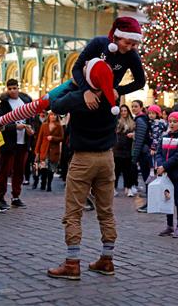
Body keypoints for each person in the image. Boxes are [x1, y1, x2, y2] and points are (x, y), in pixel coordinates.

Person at [0, 17, 145, 134]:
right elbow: (77, 68)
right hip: (78, 84)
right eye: (127, 42)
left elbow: (140, 82)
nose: (130, 47)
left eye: (134, 44)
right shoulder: (98, 43)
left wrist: (117, 90)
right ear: (115, 38)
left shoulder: (132, 55)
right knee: (41, 103)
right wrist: (86, 90)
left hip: (107, 95)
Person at [47, 58, 120, 280]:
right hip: (107, 158)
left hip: (83, 159)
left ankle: (72, 262)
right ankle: (106, 259)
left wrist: (75, 83)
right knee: (106, 211)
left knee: (73, 212)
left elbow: (54, 102)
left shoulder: (79, 98)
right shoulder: (114, 96)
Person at [0, 79, 34, 209]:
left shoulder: (26, 102)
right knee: (4, 171)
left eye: (14, 88)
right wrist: (16, 127)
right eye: (10, 88)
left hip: (23, 142)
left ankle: (16, 196)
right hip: (8, 143)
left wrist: (30, 129)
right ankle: (0, 197)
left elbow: (31, 119)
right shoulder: (3, 105)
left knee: (19, 171)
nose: (12, 91)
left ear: (18, 88)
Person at [156, 111, 178, 238]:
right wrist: (160, 165)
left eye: (175, 121)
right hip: (166, 174)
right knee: (167, 199)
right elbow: (159, 152)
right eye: (170, 121)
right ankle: (169, 226)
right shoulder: (165, 136)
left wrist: (165, 166)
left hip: (177, 174)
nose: (172, 124)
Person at [34, 112, 64, 192]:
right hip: (44, 150)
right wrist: (37, 151)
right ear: (49, 116)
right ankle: (43, 183)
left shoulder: (59, 126)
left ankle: (49, 185)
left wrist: (53, 138)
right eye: (52, 115)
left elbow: (62, 138)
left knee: (51, 169)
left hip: (54, 151)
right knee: (43, 169)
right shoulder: (44, 125)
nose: (53, 116)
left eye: (55, 115)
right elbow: (39, 138)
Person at [130, 100, 150, 199]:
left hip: (144, 152)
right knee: (146, 174)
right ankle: (148, 193)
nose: (133, 108)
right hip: (144, 151)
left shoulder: (140, 120)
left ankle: (149, 196)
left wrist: (135, 157)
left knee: (146, 174)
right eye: (132, 106)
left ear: (141, 108)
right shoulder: (140, 118)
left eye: (136, 106)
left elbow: (140, 140)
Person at [113, 104, 135, 196]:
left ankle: (128, 188)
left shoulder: (132, 122)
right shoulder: (117, 122)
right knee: (116, 170)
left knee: (128, 170)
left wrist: (133, 134)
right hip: (117, 149)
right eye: (122, 111)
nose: (123, 112)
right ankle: (113, 188)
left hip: (128, 149)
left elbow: (136, 133)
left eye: (125, 110)